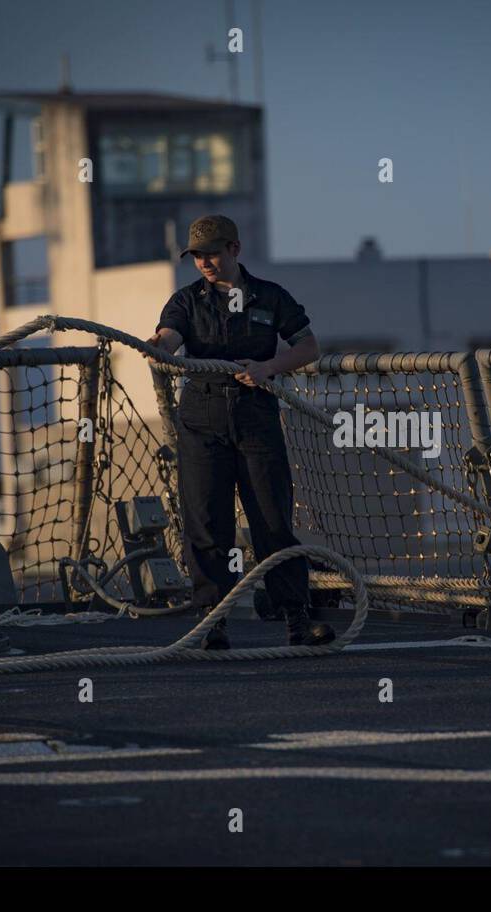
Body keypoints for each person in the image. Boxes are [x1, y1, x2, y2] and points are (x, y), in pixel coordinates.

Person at [147, 214, 335, 650]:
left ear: (234, 249)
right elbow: (170, 337)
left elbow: (309, 347)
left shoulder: (271, 297)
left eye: (212, 253)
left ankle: (296, 619)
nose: (205, 263)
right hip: (201, 417)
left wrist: (269, 368)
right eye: (197, 256)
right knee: (207, 523)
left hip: (256, 417)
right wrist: (159, 346)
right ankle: (210, 623)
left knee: (273, 520)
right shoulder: (185, 301)